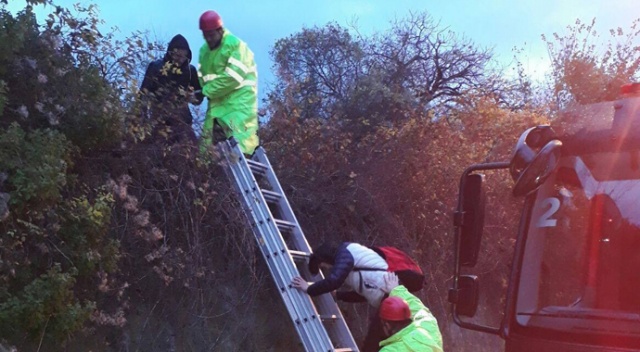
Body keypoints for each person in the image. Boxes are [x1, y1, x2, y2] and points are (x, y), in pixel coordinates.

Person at [197, 10, 259, 156]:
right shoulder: (204, 52)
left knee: (240, 151)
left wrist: (204, 91)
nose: (209, 39)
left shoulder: (236, 46)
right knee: (207, 155)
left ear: (220, 30)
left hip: (237, 106)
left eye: (211, 35)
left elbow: (232, 77)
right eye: (205, 35)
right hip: (216, 108)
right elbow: (202, 78)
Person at [140, 34, 203, 144]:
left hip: (182, 120)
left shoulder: (190, 71)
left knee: (192, 148)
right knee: (157, 150)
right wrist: (143, 117)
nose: (180, 60)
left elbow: (199, 94)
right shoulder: (156, 67)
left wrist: (194, 97)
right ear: (170, 53)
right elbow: (143, 94)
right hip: (159, 119)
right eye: (177, 56)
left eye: (183, 57)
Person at [291, 241, 389, 308]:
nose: (325, 268)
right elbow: (363, 294)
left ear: (325, 259)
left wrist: (308, 289)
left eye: (322, 265)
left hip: (390, 294)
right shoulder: (349, 267)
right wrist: (339, 295)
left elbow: (334, 281)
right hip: (387, 301)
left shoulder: (345, 253)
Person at [378, 272, 443, 351]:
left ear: (387, 326)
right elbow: (419, 310)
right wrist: (396, 290)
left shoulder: (389, 350)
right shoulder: (428, 327)